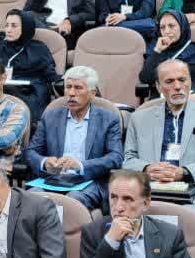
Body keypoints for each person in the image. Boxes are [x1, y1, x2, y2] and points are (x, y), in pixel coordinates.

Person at [125, 60, 195, 217]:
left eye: (182, 80)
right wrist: (147, 168)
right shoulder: (139, 118)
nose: (177, 86)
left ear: (190, 82)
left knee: (186, 221)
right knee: (131, 215)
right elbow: (128, 159)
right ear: (158, 87)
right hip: (149, 189)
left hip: (193, 190)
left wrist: (184, 172)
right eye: (169, 81)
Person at [25, 65, 123, 212]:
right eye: (68, 87)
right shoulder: (51, 116)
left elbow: (116, 157)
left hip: (89, 181)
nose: (71, 93)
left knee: (72, 201)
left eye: (78, 88)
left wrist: (81, 166)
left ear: (92, 93)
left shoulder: (108, 118)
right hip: (54, 179)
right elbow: (31, 151)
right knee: (31, 197)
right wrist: (45, 162)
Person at [140, 9, 195, 107]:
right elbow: (145, 79)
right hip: (163, 100)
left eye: (171, 26)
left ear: (182, 27)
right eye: (162, 27)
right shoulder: (157, 51)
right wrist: (157, 51)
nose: (166, 31)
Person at [0, 9, 56, 120]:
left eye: (14, 26)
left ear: (26, 27)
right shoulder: (1, 47)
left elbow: (50, 75)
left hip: (32, 90)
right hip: (4, 89)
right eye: (7, 25)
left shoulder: (38, 48)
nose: (8, 30)